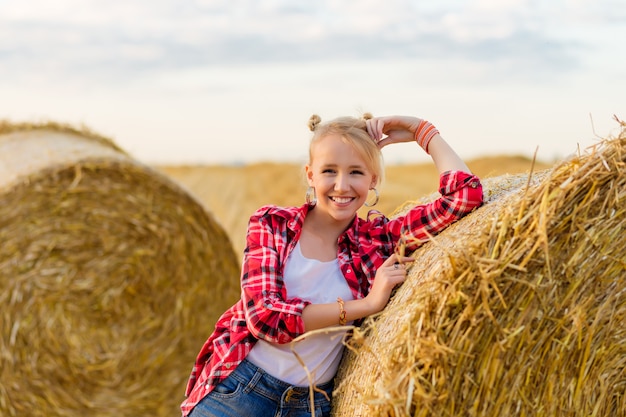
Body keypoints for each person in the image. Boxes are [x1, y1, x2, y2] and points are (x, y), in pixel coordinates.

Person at [181, 113, 483, 417]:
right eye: (329, 171)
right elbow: (265, 318)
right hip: (240, 392)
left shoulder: (377, 241)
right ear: (310, 175)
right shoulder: (273, 224)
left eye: (355, 172)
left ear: (372, 180)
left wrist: (422, 131)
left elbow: (465, 196)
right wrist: (366, 305)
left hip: (309, 406)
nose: (342, 186)